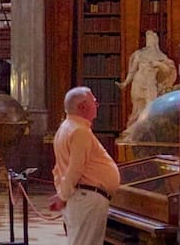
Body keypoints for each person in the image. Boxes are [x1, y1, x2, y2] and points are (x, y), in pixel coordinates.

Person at [49, 86, 124, 245]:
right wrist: (63, 196)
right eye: (94, 102)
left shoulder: (65, 128)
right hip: (86, 198)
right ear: (82, 106)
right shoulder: (79, 131)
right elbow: (74, 169)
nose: (97, 105)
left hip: (80, 197)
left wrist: (62, 192)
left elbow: (58, 169)